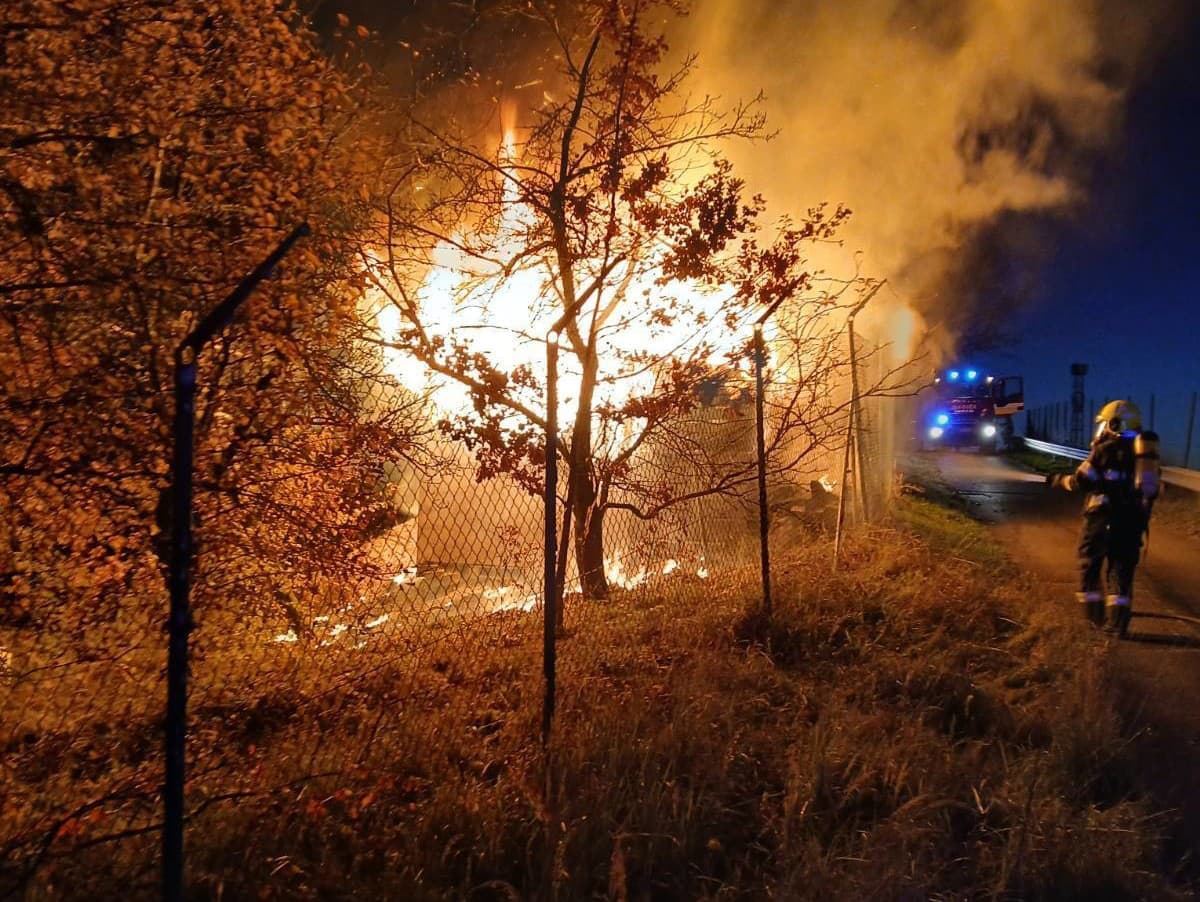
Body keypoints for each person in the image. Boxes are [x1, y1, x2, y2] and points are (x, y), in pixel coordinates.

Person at [1049, 400, 1161, 636]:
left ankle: (1093, 622)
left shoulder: (1103, 450)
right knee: (1121, 570)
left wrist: (1059, 480)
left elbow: (1080, 481)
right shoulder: (1145, 457)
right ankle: (1118, 626)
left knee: (1089, 565)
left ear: (1113, 424)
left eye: (1104, 424)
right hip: (1131, 522)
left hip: (1099, 521)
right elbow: (1153, 489)